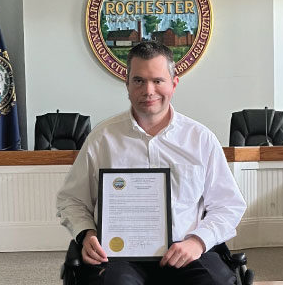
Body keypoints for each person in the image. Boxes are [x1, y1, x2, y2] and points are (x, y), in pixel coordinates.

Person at [56, 41, 247, 285]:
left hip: (188, 252)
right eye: (139, 81)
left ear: (173, 84)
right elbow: (71, 199)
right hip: (119, 256)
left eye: (158, 80)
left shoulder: (201, 139)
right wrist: (86, 233)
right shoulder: (101, 139)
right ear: (127, 85)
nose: (148, 90)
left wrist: (198, 241)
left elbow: (228, 205)